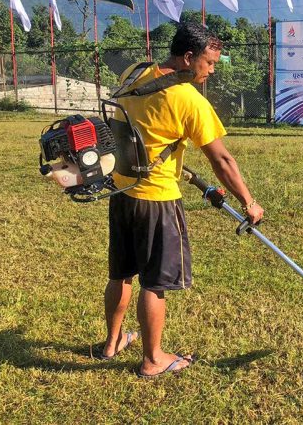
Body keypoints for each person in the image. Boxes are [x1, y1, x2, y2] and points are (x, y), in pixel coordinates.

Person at [99, 22, 264, 378]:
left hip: (122, 192)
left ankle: (111, 343)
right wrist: (249, 202)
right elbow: (221, 160)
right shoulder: (189, 100)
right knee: (155, 283)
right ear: (188, 57)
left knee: (121, 274)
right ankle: (153, 358)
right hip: (157, 200)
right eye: (208, 62)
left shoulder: (135, 72)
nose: (212, 70)